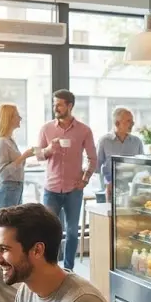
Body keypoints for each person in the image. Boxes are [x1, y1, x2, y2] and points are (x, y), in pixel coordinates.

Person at [37, 89, 97, 271]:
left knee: (71, 232)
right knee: (50, 231)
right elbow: (38, 155)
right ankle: (51, 267)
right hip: (51, 189)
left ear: (70, 106)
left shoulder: (84, 130)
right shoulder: (46, 128)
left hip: (73, 190)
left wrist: (85, 179)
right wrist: (49, 149)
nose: (55, 107)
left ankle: (68, 270)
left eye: (59, 104)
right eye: (54, 104)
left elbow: (92, 158)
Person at [0, 104, 35, 210]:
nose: (20, 118)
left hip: (15, 188)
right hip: (7, 190)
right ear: (8, 119)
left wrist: (24, 158)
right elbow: (3, 173)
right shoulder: (2, 142)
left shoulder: (10, 140)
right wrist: (23, 157)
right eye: (17, 116)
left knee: (14, 224)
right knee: (8, 225)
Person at [95, 107, 142, 195]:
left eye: (132, 121)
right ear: (117, 123)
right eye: (129, 121)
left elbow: (141, 167)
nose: (132, 124)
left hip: (132, 189)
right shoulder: (104, 141)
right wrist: (106, 184)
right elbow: (96, 167)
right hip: (110, 188)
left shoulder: (137, 141)